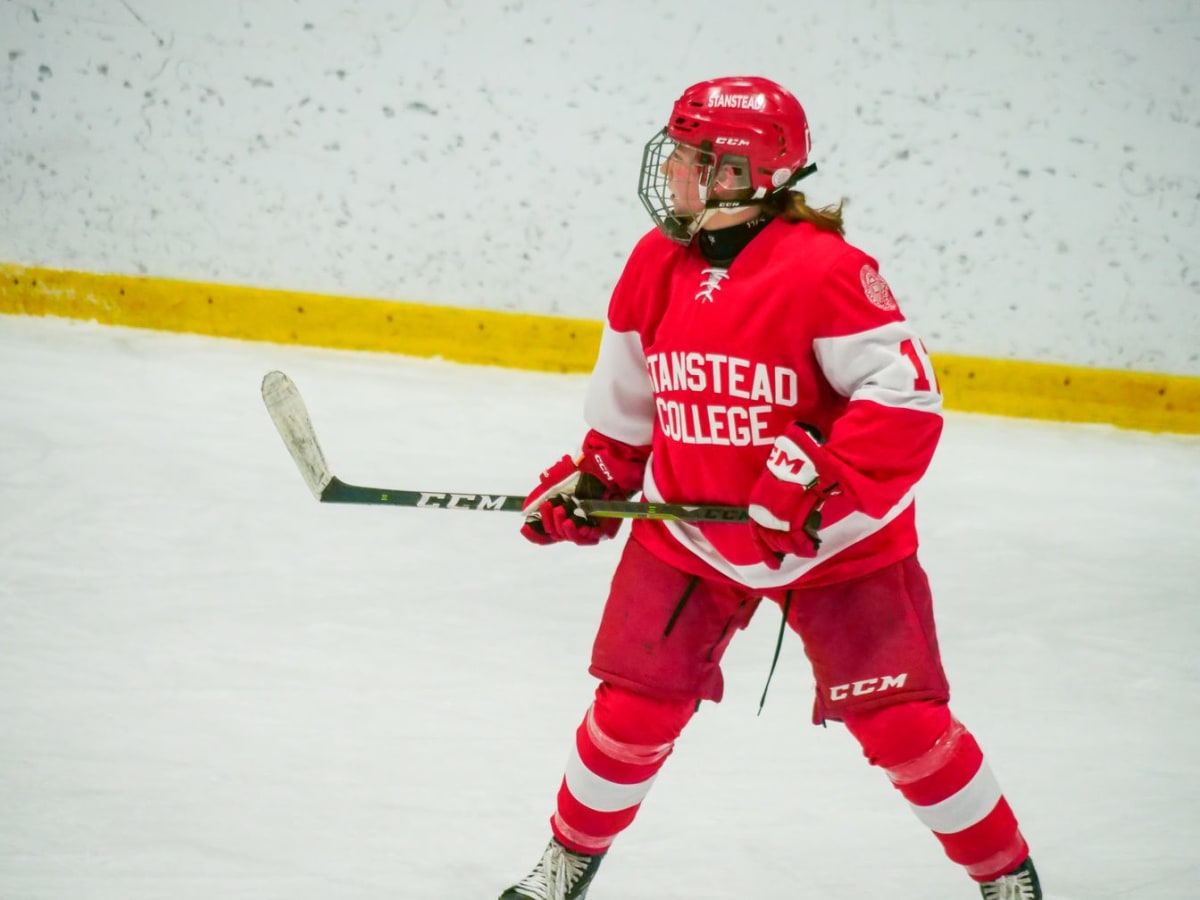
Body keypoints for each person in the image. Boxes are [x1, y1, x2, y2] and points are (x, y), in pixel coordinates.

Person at [502, 75, 1041, 900]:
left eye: (692, 157)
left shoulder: (827, 270)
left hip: (837, 544)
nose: (672, 172)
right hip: (689, 532)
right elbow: (630, 405)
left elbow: (905, 398)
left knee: (902, 726)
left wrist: (826, 480)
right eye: (676, 153)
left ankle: (1007, 878)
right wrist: (600, 477)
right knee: (631, 710)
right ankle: (568, 861)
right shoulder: (654, 264)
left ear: (741, 175)